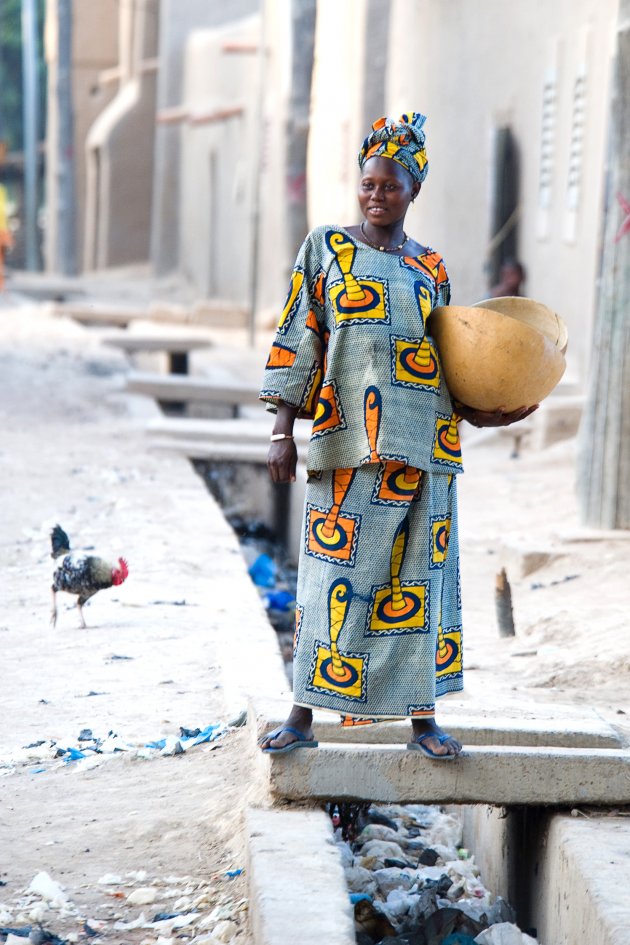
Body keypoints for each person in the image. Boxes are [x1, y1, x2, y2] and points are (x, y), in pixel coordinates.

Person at [258, 112, 535, 759]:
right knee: (332, 582)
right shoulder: (326, 250)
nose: (376, 195)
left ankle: (423, 721)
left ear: (413, 190)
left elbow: (451, 360)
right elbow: (302, 333)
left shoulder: (431, 268)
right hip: (345, 446)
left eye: (390, 186)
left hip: (424, 448)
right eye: (368, 184)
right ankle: (302, 715)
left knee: (418, 584)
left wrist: (491, 410)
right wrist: (281, 430)